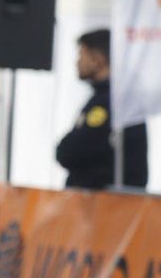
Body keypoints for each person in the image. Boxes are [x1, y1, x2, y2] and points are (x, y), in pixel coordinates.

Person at [56, 29, 148, 189]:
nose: (77, 62)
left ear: (97, 59)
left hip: (106, 205)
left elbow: (73, 151)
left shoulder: (111, 101)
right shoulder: (110, 97)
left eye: (81, 54)